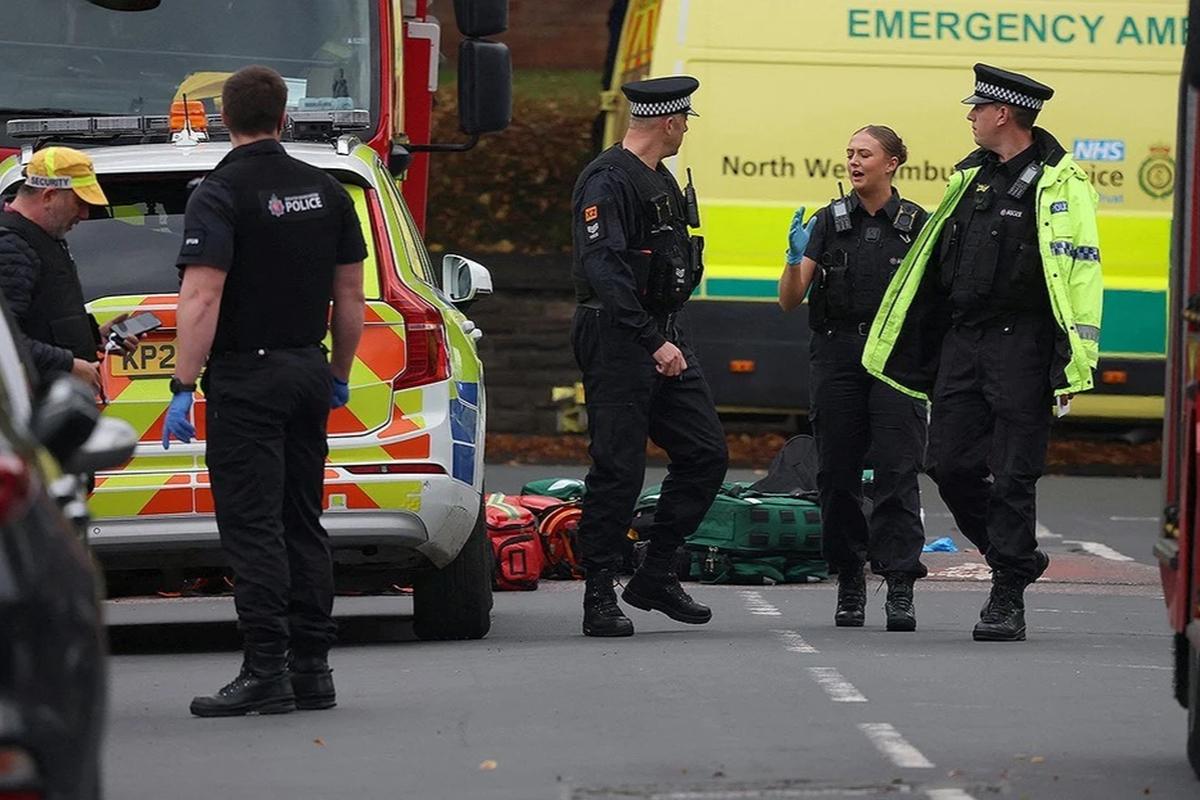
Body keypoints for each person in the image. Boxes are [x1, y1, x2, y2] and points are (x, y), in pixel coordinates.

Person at [863, 64, 1103, 642]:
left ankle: (1007, 599)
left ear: (1003, 114)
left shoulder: (1061, 185)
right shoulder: (969, 179)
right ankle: (1012, 555)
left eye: (977, 109)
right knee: (948, 463)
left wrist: (1076, 361)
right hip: (963, 342)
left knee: (1015, 473)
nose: (970, 116)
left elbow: (1081, 277)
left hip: (1023, 343)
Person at [162, 65, 366, 715]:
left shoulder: (219, 193)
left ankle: (265, 670)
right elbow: (352, 296)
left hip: (248, 377)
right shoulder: (328, 190)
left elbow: (202, 295)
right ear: (284, 117)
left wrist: (181, 384)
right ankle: (313, 669)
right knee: (301, 520)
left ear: (226, 117)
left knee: (253, 527)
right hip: (309, 368)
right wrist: (339, 372)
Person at [570, 75, 728, 637]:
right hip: (620, 337)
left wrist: (665, 337)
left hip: (662, 332)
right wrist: (651, 341)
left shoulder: (657, 178)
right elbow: (604, 270)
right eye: (684, 120)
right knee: (618, 468)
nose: (685, 129)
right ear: (668, 122)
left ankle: (655, 571)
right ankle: (598, 595)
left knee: (706, 453)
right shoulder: (609, 180)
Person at [778, 126, 929, 632]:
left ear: (892, 163)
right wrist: (794, 260)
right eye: (849, 154)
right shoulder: (828, 222)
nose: (854, 161)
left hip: (896, 359)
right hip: (838, 354)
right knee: (836, 474)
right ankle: (849, 578)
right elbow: (789, 299)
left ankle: (900, 582)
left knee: (897, 470)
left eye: (865, 154)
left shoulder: (917, 226)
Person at [0, 146, 143, 394]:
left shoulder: (43, 238)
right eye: (79, 203)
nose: (85, 215)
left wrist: (93, 337)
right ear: (49, 196)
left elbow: (41, 320)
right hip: (32, 413)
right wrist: (67, 364)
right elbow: (5, 342)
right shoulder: (10, 247)